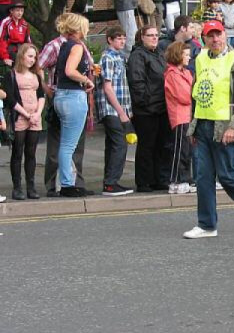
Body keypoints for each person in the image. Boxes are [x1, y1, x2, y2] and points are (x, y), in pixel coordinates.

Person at [182, 20, 234, 239]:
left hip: (225, 127)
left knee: (227, 176)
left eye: (218, 34)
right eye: (210, 36)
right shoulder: (200, 59)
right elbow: (198, 95)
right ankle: (207, 224)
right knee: (203, 177)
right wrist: (193, 127)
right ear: (204, 38)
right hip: (203, 126)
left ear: (225, 35)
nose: (215, 39)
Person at [38, 14, 94, 197]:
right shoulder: (76, 46)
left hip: (61, 96)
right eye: (85, 27)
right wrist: (86, 80)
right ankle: (67, 184)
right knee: (68, 145)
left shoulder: (64, 45)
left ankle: (68, 183)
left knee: (66, 145)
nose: (87, 30)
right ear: (78, 29)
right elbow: (70, 71)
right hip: (73, 97)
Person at [126, 25, 171, 192]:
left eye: (156, 35)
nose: (154, 38)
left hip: (162, 106)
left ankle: (159, 178)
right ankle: (144, 181)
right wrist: (145, 103)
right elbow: (137, 82)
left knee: (161, 145)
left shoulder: (159, 54)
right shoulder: (138, 56)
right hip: (147, 109)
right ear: (142, 37)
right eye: (150, 35)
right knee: (146, 146)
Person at [95, 26, 134, 196]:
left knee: (113, 144)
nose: (122, 41)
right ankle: (111, 183)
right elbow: (108, 87)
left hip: (119, 107)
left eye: (123, 38)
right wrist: (121, 112)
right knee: (119, 144)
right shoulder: (108, 58)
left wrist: (127, 109)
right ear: (109, 40)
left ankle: (110, 182)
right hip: (110, 107)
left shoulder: (120, 57)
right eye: (118, 38)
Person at [3, 43, 44, 200]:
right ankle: (17, 187)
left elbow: (41, 95)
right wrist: (26, 113)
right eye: (30, 56)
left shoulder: (36, 75)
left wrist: (37, 113)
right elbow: (10, 98)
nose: (32, 60)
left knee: (31, 153)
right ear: (21, 56)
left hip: (35, 117)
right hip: (20, 117)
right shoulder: (11, 75)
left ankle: (31, 187)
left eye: (34, 57)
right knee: (17, 152)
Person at [164, 40, 194, 194]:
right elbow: (184, 96)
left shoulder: (186, 72)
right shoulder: (172, 74)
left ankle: (185, 178)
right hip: (179, 116)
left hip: (188, 116)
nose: (189, 58)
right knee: (179, 150)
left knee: (187, 150)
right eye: (186, 55)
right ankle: (175, 180)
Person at [0, 0, 32, 66]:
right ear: (11, 11)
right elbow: (2, 40)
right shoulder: (6, 22)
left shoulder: (25, 24)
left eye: (22, 11)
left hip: (21, 50)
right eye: (17, 10)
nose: (20, 13)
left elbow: (28, 41)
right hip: (9, 50)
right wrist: (5, 57)